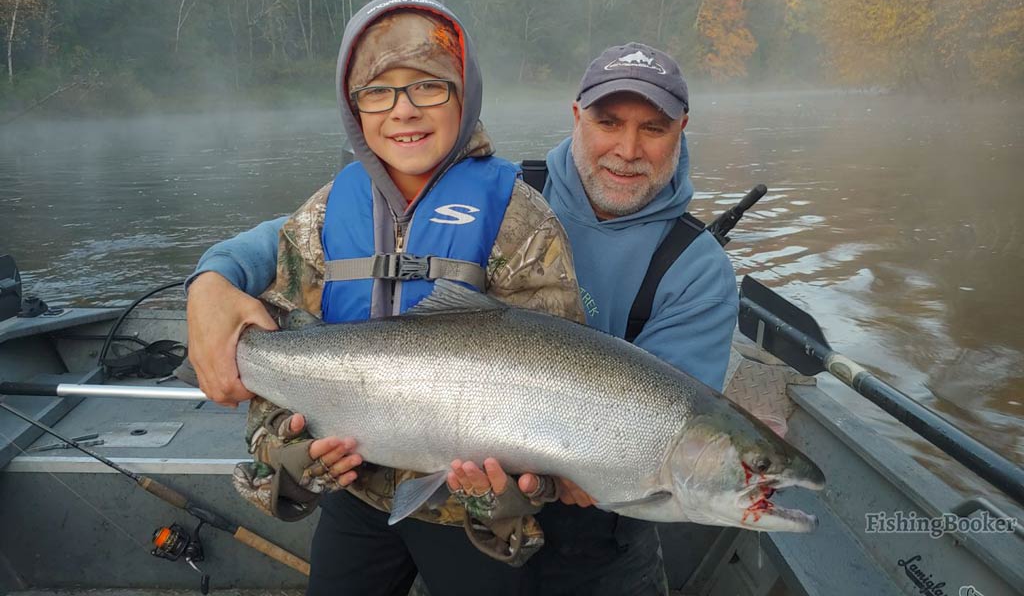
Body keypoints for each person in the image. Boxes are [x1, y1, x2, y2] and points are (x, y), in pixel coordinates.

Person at [191, 40, 738, 595]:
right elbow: (320, 229)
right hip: (436, 460)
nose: (626, 148)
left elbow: (671, 424)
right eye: (608, 121)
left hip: (592, 521)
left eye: (654, 127)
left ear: (682, 130)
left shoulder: (696, 270)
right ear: (577, 117)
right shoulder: (508, 194)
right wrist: (213, 279)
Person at [185, 0, 585, 596]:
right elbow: (280, 370)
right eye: (378, 91)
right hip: (354, 501)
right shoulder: (319, 218)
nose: (403, 110)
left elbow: (568, 388)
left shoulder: (520, 218)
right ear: (354, 109)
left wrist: (523, 489)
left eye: (428, 85)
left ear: (465, 94)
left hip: (468, 515)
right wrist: (284, 452)